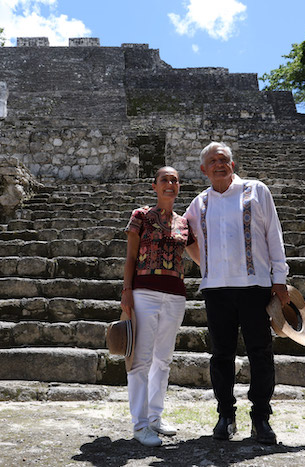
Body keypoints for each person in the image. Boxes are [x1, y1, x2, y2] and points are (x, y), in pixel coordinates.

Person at [184, 142, 290, 445]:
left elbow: (274, 233)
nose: (219, 164)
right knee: (221, 355)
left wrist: (279, 279)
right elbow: (185, 236)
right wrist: (207, 265)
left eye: (224, 159)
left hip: (255, 285)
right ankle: (225, 416)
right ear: (203, 170)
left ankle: (261, 418)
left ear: (233, 164)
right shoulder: (199, 203)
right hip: (216, 290)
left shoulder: (256, 191)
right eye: (213, 161)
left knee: (260, 353)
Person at [121, 166, 196, 447]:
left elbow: (198, 256)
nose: (170, 183)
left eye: (175, 180)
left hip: (176, 295)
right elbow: (130, 257)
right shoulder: (140, 216)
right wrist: (126, 290)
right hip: (145, 294)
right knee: (141, 359)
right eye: (164, 179)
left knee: (163, 359)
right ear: (154, 186)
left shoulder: (184, 223)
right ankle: (140, 425)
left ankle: (155, 417)